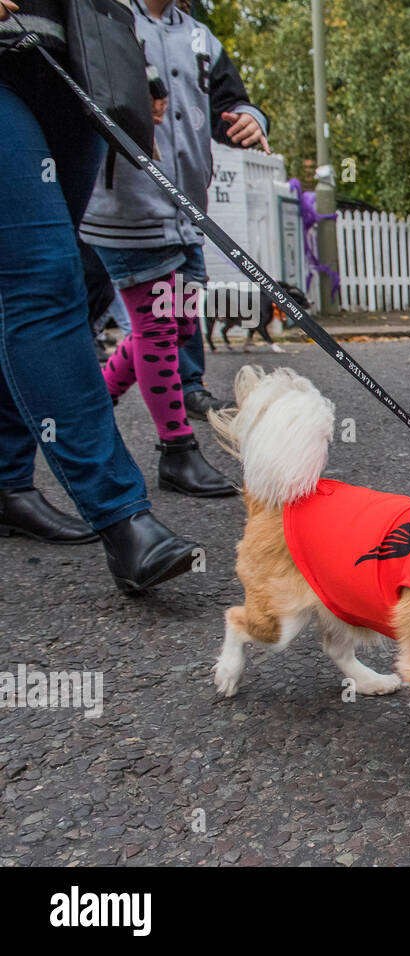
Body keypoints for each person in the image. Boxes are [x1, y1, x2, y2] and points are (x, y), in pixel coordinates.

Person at [0, 0, 198, 592]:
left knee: (74, 276)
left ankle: (8, 480)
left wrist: (147, 76)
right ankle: (123, 517)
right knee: (42, 278)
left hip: (77, 62)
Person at [80, 0, 269, 498]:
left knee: (178, 323)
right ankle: (176, 452)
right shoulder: (106, 18)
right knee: (158, 328)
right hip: (129, 207)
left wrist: (251, 120)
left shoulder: (202, 38)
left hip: (186, 214)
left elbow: (234, 103)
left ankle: (90, 412)